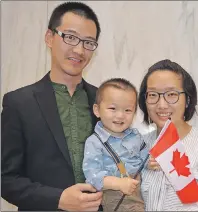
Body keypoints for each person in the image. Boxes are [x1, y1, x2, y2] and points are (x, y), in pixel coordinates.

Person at [1, 2, 103, 211]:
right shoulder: (19, 103)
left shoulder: (103, 101)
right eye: (71, 37)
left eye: (88, 42)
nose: (79, 49)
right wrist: (58, 199)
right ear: (49, 37)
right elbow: (6, 179)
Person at [139, 59, 198, 211]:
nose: (162, 105)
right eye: (152, 95)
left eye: (171, 94)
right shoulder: (138, 146)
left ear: (187, 100)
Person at [83, 78, 149, 211]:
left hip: (139, 193)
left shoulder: (136, 136)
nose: (120, 115)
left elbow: (145, 158)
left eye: (128, 110)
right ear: (97, 110)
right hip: (114, 194)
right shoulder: (94, 142)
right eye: (113, 108)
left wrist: (151, 162)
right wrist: (118, 183)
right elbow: (92, 176)